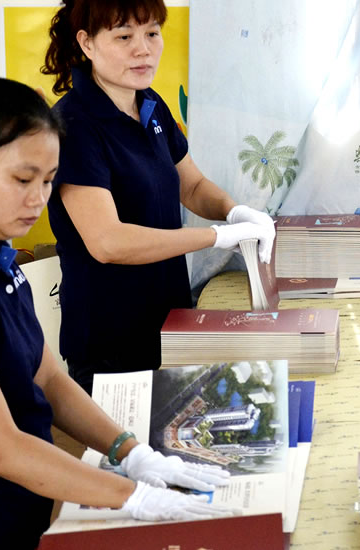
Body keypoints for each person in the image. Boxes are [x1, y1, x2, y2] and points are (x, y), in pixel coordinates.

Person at [0, 77, 237, 549]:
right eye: (22, 180)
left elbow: (46, 376)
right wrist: (132, 496)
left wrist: (131, 451)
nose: (38, 200)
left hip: (20, 520)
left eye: (48, 181)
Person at [41, 0, 276, 390]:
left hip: (168, 324)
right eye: (124, 37)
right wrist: (216, 237)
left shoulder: (150, 104)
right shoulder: (74, 126)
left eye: (152, 32)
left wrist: (235, 212)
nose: (143, 49)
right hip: (111, 341)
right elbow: (107, 242)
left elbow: (192, 186)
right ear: (87, 43)